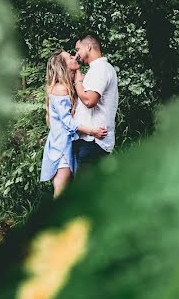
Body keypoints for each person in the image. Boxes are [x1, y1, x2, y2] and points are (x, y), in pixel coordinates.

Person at [40, 50, 108, 198]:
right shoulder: (60, 88)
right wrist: (92, 131)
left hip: (68, 145)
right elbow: (68, 123)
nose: (75, 56)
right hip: (61, 149)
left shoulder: (70, 85)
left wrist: (78, 79)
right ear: (62, 66)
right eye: (70, 57)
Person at [72, 34, 120, 172]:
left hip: (93, 143)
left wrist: (77, 82)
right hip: (90, 141)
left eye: (78, 49)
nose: (76, 55)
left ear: (88, 47)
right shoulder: (96, 69)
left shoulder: (100, 69)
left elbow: (89, 100)